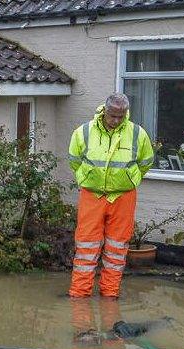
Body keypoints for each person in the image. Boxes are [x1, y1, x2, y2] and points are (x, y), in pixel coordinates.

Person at [67, 93, 154, 299]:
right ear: (104, 111)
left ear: (126, 114)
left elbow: (146, 162)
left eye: (120, 116)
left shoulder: (137, 134)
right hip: (92, 194)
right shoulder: (84, 132)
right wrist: (87, 178)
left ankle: (110, 295)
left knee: (116, 249)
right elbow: (74, 160)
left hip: (123, 197)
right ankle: (79, 295)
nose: (116, 120)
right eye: (112, 115)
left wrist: (129, 180)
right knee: (86, 247)